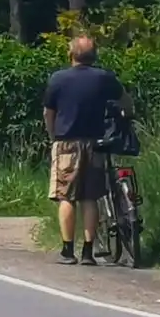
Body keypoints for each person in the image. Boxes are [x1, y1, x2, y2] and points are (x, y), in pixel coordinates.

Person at [43, 34, 134, 266]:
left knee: (66, 196)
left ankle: (67, 251)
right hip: (95, 143)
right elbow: (125, 100)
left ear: (71, 54)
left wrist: (53, 136)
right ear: (94, 56)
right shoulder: (104, 78)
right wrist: (126, 114)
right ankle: (88, 252)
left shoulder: (58, 79)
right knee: (90, 197)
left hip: (67, 143)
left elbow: (48, 112)